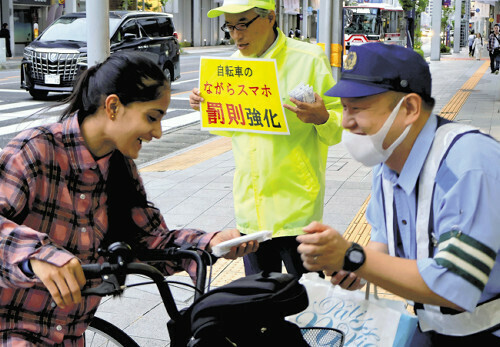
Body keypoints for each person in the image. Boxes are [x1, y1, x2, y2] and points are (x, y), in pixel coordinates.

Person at [0, 51, 258, 345]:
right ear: (113, 107)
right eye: (152, 117)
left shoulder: (119, 167)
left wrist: (209, 243)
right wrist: (36, 255)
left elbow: (147, 241)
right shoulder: (35, 151)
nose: (158, 132)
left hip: (69, 336)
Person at [297, 43, 500, 345]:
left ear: (409, 108)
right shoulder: (387, 159)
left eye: (358, 108)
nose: (345, 122)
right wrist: (352, 267)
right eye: (344, 108)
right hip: (433, 324)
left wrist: (354, 257)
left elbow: (455, 284)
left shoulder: (470, 164)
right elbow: (383, 239)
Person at [189, 0, 343, 277]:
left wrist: (322, 118)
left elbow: (341, 122)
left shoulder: (308, 58)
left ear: (270, 18)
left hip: (297, 207)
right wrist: (206, 106)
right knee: (260, 303)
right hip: (252, 209)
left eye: (243, 24)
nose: (236, 34)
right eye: (229, 26)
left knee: (308, 301)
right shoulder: (231, 68)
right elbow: (229, 130)